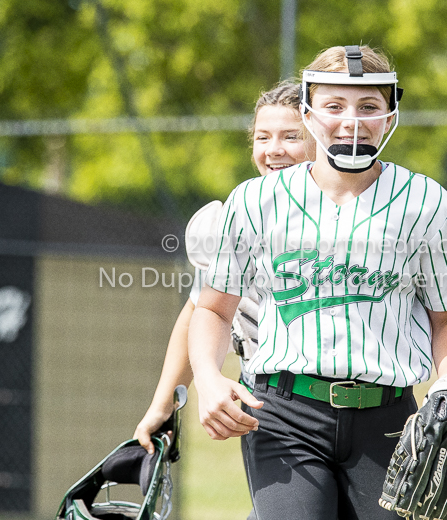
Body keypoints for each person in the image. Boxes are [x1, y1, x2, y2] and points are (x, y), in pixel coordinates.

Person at [187, 45, 447, 520]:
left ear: (390, 115)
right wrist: (207, 377)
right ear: (307, 113)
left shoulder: (427, 203)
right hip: (285, 413)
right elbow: (213, 310)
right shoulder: (256, 200)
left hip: (389, 420)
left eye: (369, 106)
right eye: (334, 105)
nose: (351, 120)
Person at [133, 80, 314, 453]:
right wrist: (162, 407)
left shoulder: (363, 221)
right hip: (272, 405)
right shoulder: (234, 219)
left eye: (291, 137)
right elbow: (200, 311)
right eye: (262, 138)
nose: (273, 150)